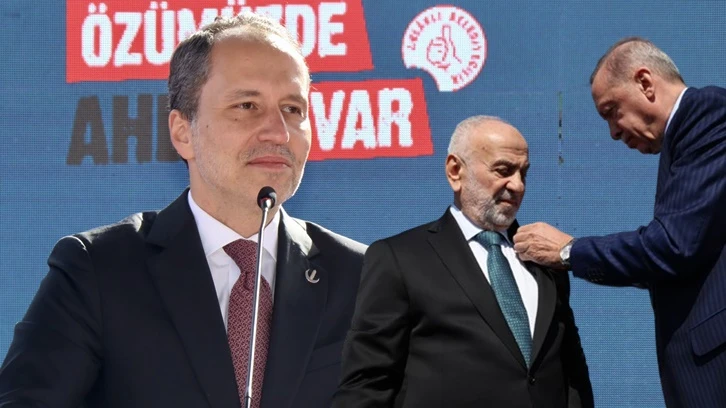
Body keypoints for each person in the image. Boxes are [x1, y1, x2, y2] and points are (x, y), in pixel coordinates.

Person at [0, 12, 366, 408]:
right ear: (182, 132)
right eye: (247, 105)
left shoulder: (366, 280)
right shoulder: (97, 270)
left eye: (293, 109)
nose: (279, 132)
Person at [513, 37, 726, 407]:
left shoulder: (706, 115)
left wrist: (568, 251)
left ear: (645, 83)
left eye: (612, 111)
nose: (613, 132)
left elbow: (674, 246)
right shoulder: (686, 135)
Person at [334, 116, 593, 408]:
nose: (518, 185)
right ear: (455, 171)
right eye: (504, 170)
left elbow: (572, 373)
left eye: (523, 173)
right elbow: (367, 382)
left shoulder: (543, 259)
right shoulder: (399, 258)